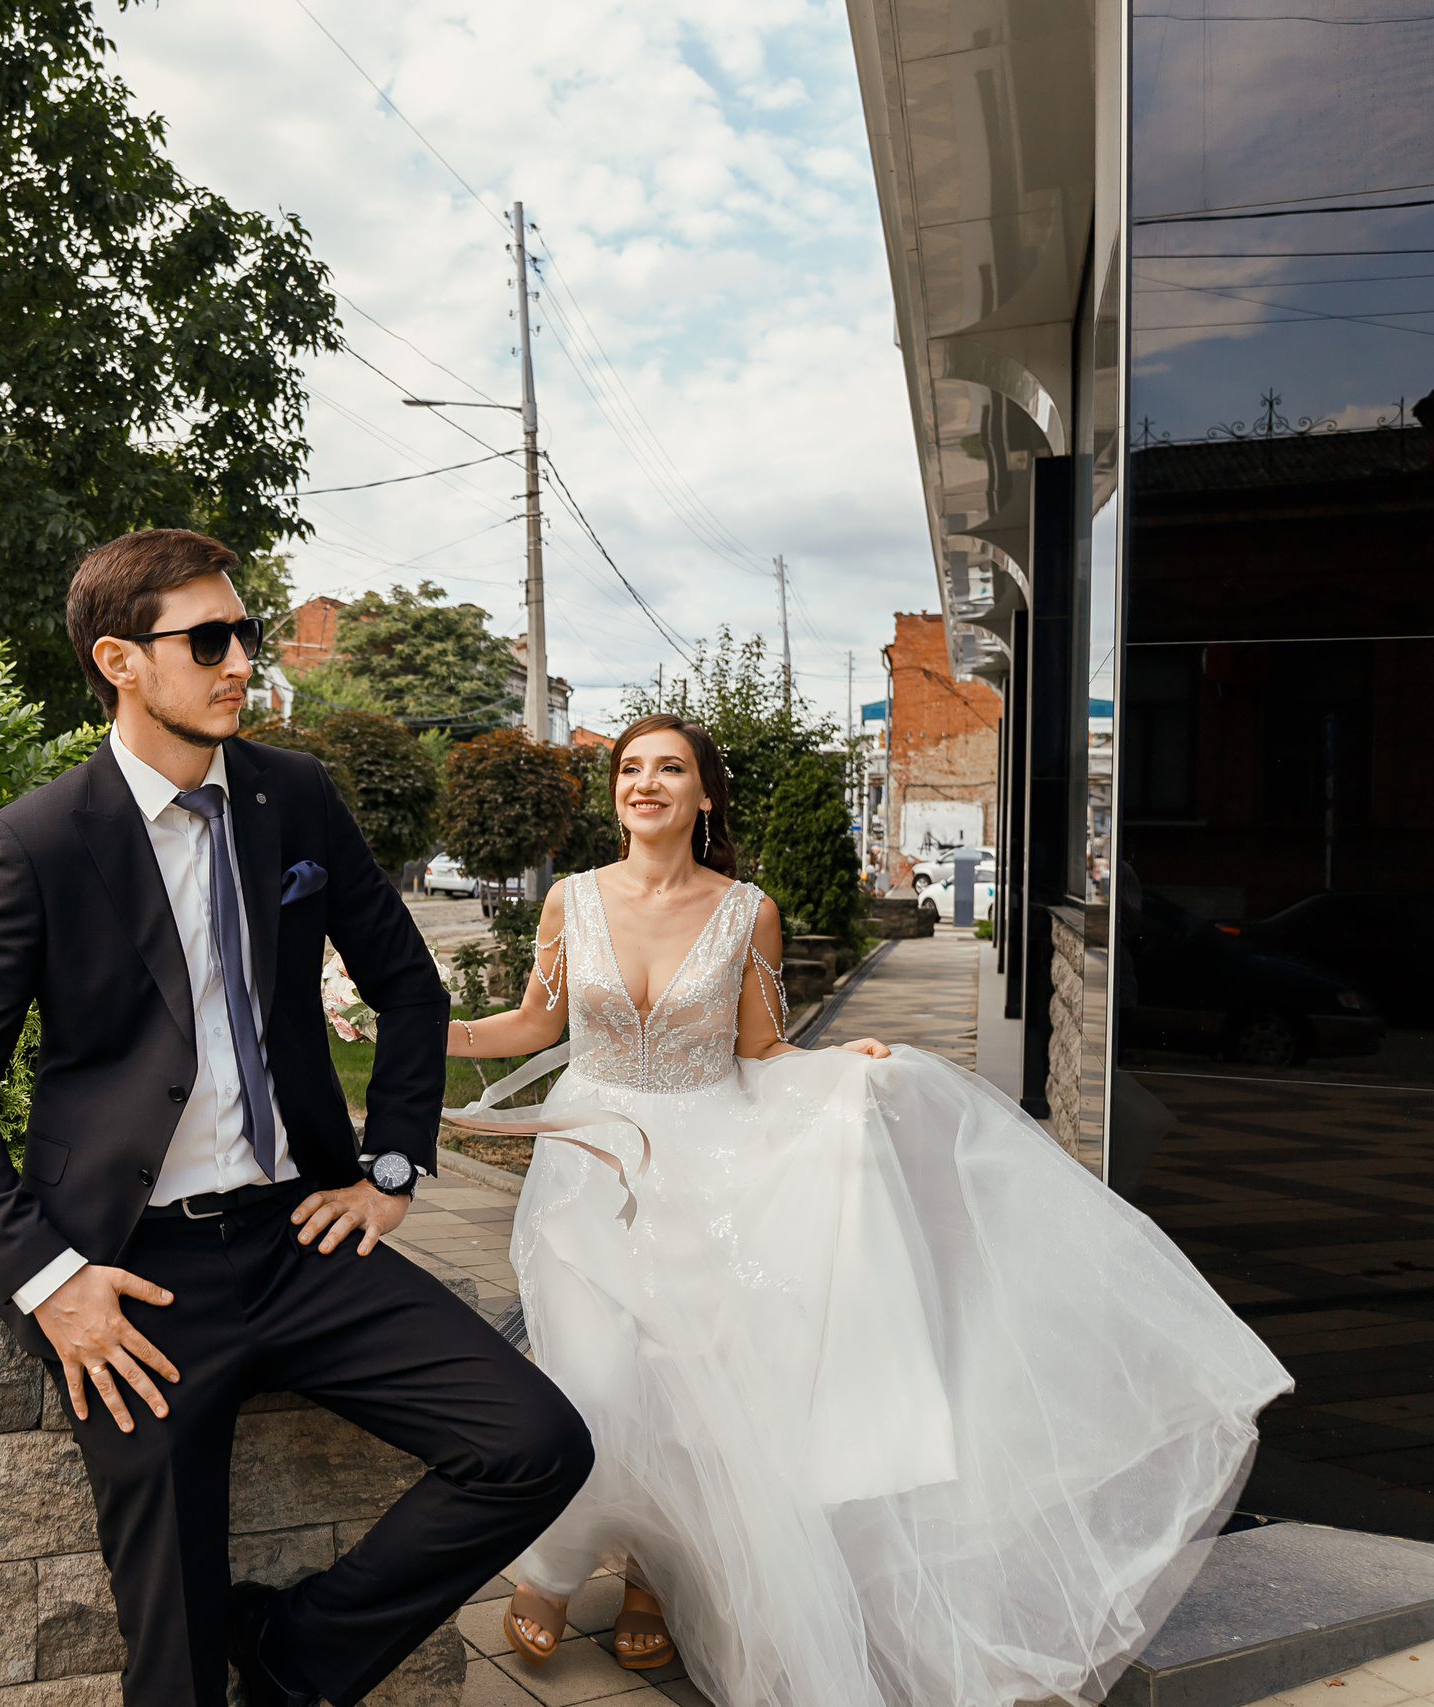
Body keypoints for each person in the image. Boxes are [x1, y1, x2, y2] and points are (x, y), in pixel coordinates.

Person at [448, 713, 1290, 1707]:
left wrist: (840, 1065)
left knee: (688, 1393)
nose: (644, 784)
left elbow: (761, 1049)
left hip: (712, 1165)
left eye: (668, 769)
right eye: (630, 769)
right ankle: (553, 1562)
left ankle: (650, 1576)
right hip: (590, 1168)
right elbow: (533, 1022)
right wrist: (423, 1031)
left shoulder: (745, 911)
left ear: (703, 795)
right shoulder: (570, 901)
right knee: (593, 1380)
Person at [0, 530, 594, 1707]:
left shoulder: (294, 798)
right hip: (136, 1272)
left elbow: (408, 986)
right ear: (119, 659)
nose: (240, 664)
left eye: (246, 636)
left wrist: (388, 1164)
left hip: (299, 1238)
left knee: (533, 1443)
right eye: (209, 639)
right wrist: (46, 1278)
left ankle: (297, 1651)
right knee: (171, 1669)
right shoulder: (41, 841)